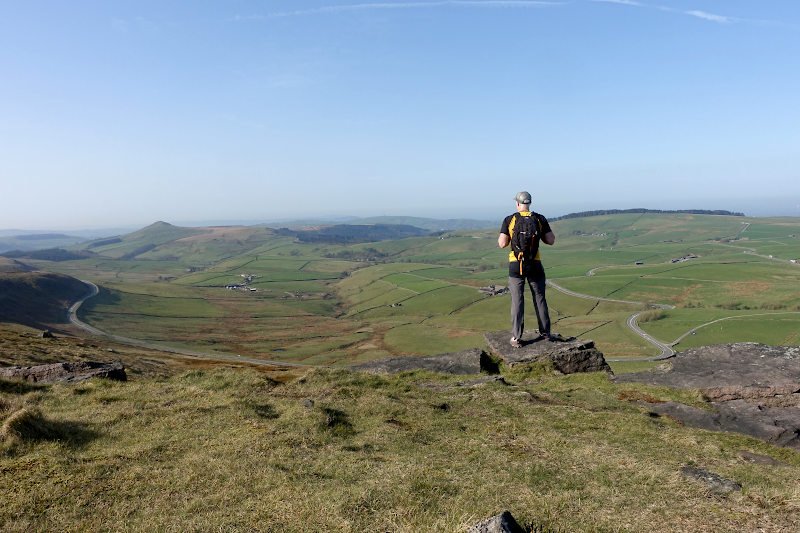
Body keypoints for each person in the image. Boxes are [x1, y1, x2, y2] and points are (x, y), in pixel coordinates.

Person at [498, 191, 557, 347]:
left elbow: (502, 243)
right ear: (529, 203)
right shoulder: (539, 218)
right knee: (539, 297)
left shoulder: (510, 219)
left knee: (517, 300)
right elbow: (550, 240)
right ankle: (545, 333)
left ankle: (516, 337)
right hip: (534, 263)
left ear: (517, 203)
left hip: (516, 265)